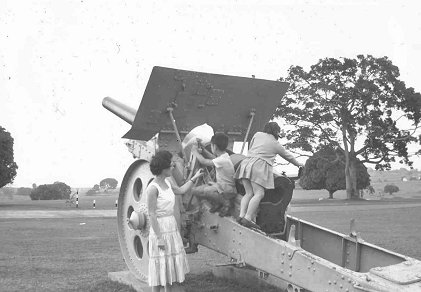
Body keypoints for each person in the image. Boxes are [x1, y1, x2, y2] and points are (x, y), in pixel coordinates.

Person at [146, 150, 203, 292]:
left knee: (169, 270)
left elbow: (182, 190)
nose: (173, 167)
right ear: (163, 167)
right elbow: (152, 214)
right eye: (171, 165)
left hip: (171, 227)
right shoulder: (153, 189)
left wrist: (194, 177)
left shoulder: (168, 182)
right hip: (160, 230)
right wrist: (159, 238)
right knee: (159, 271)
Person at [235, 122, 304, 229]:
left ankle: (241, 216)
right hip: (258, 166)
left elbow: (253, 146)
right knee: (259, 193)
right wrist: (299, 164)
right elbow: (288, 156)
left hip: (246, 164)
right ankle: (247, 218)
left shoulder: (257, 134)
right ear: (276, 132)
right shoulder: (275, 143)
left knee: (248, 193)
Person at [190, 133, 236, 216]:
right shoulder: (224, 157)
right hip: (221, 186)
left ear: (214, 146)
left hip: (227, 189)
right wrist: (203, 150)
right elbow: (213, 158)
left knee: (207, 191)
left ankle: (226, 203)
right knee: (194, 190)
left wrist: (194, 152)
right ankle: (218, 202)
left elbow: (204, 161)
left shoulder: (223, 160)